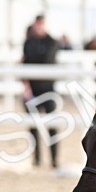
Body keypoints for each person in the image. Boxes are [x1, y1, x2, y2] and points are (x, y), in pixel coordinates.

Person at [21, 15, 61, 169]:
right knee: (32, 126)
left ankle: (54, 160)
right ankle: (36, 159)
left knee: (52, 124)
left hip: (48, 89)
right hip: (33, 89)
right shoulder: (28, 42)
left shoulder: (52, 42)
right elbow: (25, 64)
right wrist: (26, 87)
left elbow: (46, 61)